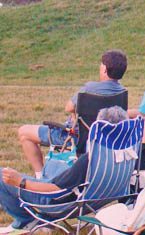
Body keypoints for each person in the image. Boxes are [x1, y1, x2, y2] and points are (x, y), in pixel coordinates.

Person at [0, 106, 129, 231]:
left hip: (61, 205)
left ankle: (28, 221)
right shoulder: (129, 154)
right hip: (96, 200)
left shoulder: (91, 159)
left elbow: (56, 189)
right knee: (56, 166)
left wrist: (21, 182)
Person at [17, 49, 128, 177]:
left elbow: (69, 107)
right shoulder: (122, 91)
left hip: (76, 137)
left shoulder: (90, 89)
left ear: (104, 69)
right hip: (104, 139)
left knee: (24, 132)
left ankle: (40, 177)